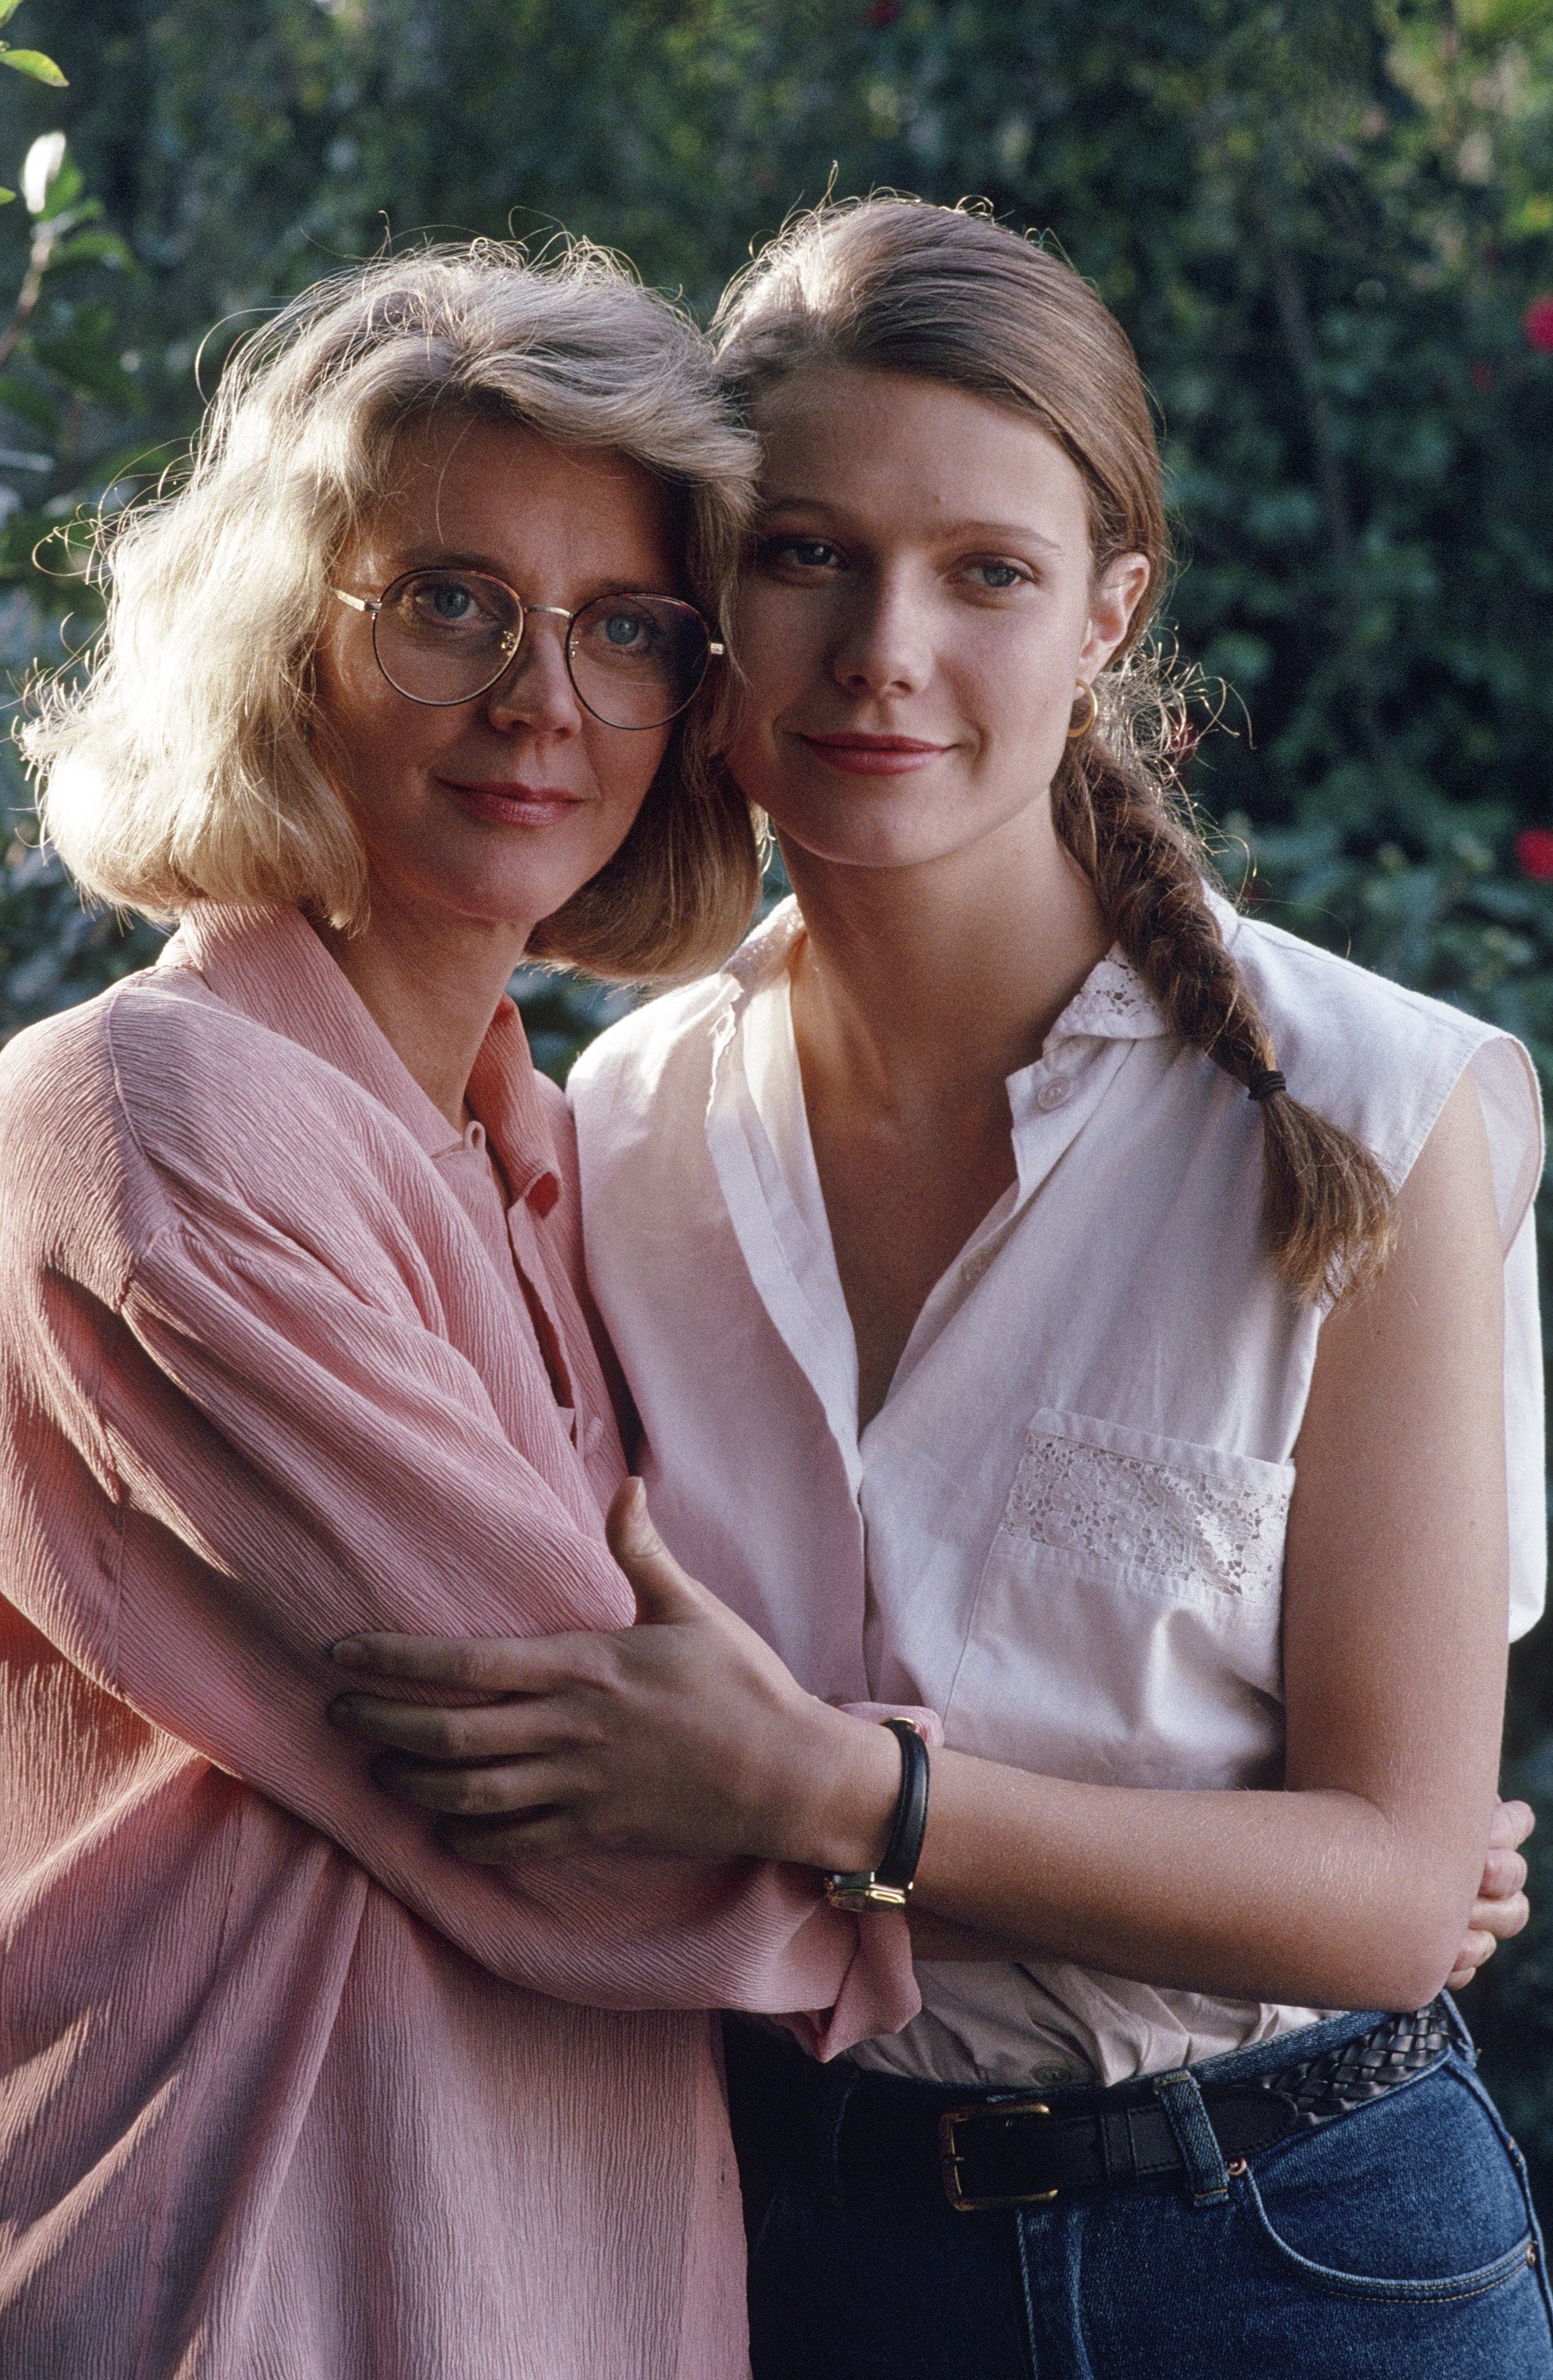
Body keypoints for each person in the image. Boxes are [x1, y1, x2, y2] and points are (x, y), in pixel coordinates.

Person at [331, 201, 1551, 2377]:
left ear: (1110, 612)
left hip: (1288, 2257)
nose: (882, 649)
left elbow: (1387, 1895)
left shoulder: (1371, 1111)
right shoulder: (615, 1135)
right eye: (803, 553)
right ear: (706, 606)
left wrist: (829, 1799)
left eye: (984, 569)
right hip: (775, 2240)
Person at [0, 240, 931, 2380]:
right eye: (452, 606)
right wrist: (1233, 1870)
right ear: (278, 640)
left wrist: (815, 1781)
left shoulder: (546, 1149)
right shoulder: (155, 1133)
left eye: (628, 633)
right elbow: (608, 1832)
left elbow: (718, 1756)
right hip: (256, 2266)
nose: (547, 703)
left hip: (583, 2277)